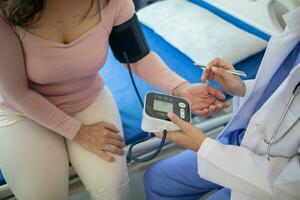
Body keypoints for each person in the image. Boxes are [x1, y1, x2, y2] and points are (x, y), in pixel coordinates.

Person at [0, 0, 229, 199]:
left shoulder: (114, 3)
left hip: (86, 98)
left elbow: (138, 57)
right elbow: (16, 92)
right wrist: (78, 132)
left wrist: (182, 87)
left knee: (114, 192)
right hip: (23, 112)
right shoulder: (6, 12)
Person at [144, 7, 300, 200]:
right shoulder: (295, 30)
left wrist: (203, 146)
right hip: (243, 141)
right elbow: (281, 91)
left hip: (268, 180)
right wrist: (241, 89)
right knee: (157, 179)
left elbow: (291, 185)